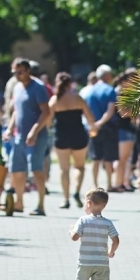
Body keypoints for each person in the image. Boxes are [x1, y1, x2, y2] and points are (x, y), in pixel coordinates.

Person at [2, 58, 51, 215]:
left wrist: (34, 131)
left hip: (37, 136)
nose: (17, 75)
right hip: (19, 136)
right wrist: (10, 129)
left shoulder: (38, 88)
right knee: (16, 170)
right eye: (14, 72)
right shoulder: (17, 87)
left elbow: (46, 111)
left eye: (20, 72)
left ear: (28, 71)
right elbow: (16, 111)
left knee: (36, 169)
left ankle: (41, 205)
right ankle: (19, 203)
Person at [71, 188, 119, 280]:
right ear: (104, 205)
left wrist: (71, 231)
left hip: (85, 262)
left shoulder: (83, 221)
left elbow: (75, 237)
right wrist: (111, 252)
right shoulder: (108, 223)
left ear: (89, 203)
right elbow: (116, 240)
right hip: (102, 263)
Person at [50, 72, 98, 209]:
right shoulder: (78, 98)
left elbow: (48, 121)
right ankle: (76, 191)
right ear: (70, 84)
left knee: (63, 169)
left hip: (61, 136)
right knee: (79, 167)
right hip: (78, 136)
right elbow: (90, 117)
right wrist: (93, 129)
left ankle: (65, 199)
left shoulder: (54, 100)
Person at [86, 65, 119, 190]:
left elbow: (87, 110)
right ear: (106, 76)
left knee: (95, 157)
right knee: (108, 158)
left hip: (93, 127)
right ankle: (109, 184)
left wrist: (93, 124)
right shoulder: (110, 90)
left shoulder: (90, 91)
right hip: (108, 127)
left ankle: (94, 183)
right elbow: (110, 111)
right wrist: (101, 123)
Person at [113, 70, 138, 191]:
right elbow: (123, 112)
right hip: (123, 128)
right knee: (122, 158)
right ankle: (119, 183)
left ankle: (123, 182)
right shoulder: (121, 93)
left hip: (126, 128)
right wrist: (136, 111)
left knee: (125, 158)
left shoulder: (123, 92)